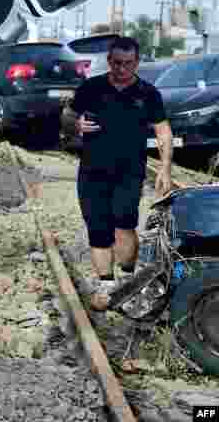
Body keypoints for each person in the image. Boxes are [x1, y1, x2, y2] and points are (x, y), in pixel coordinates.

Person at [62, 35, 172, 312]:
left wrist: (165, 168)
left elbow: (163, 131)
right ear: (109, 61)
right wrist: (75, 125)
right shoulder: (92, 87)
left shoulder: (148, 94)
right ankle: (107, 283)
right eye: (116, 63)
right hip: (92, 171)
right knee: (98, 228)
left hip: (129, 171)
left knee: (124, 222)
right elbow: (67, 115)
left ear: (137, 62)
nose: (122, 69)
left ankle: (127, 278)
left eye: (128, 64)